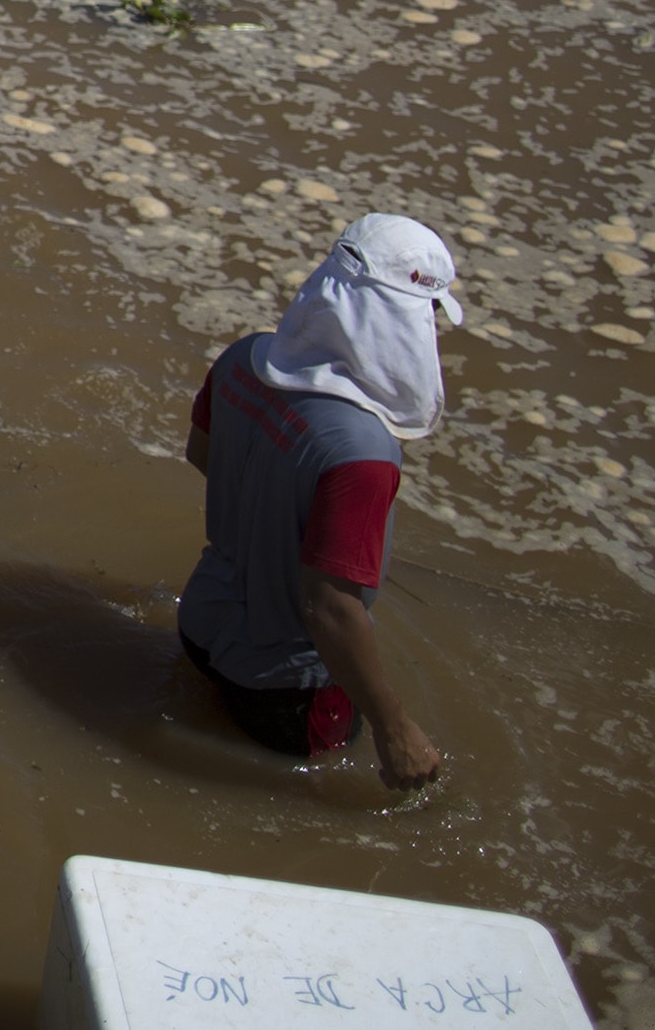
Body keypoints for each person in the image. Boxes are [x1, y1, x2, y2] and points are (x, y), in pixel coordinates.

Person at [179, 211, 459, 789]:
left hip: (201, 624)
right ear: (405, 321)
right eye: (431, 315)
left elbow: (204, 456)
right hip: (283, 691)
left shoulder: (242, 360)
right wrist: (395, 729)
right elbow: (330, 608)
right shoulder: (366, 452)